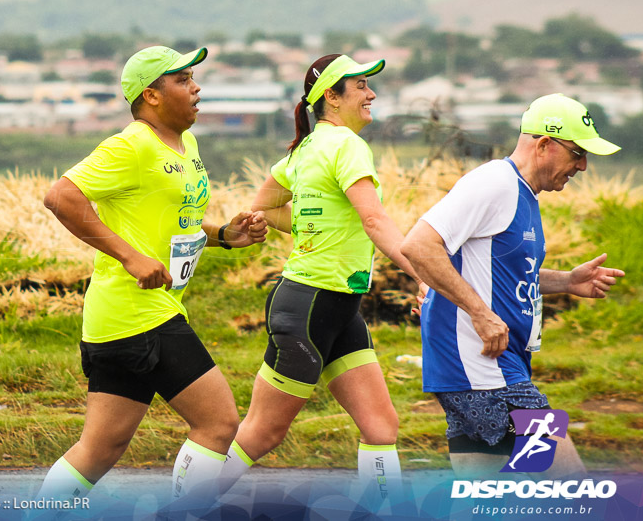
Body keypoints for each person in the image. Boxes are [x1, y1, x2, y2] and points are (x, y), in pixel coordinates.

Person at [35, 45, 268, 508]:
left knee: (100, 450)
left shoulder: (186, 145)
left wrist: (223, 234)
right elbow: (61, 196)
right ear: (152, 96)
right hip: (138, 312)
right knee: (219, 424)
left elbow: (175, 220)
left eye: (194, 78)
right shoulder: (132, 144)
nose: (196, 88)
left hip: (123, 319)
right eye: (183, 80)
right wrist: (129, 257)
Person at [218, 54, 425, 509]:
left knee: (380, 425)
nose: (372, 95)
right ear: (331, 96)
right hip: (309, 306)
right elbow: (374, 218)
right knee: (263, 432)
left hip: (337, 309)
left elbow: (266, 207)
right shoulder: (346, 145)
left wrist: (314, 225)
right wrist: (423, 275)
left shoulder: (308, 149)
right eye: (362, 87)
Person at [400, 93, 625, 479]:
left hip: (483, 370)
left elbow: (496, 272)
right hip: (487, 372)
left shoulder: (522, 194)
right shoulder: (495, 184)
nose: (583, 166)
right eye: (577, 153)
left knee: (486, 502)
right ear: (544, 145)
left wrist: (567, 281)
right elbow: (418, 245)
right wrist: (480, 313)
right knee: (572, 486)